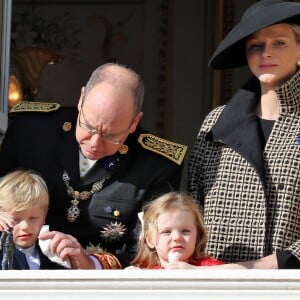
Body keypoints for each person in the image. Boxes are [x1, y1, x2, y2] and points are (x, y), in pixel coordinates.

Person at [0, 62, 187, 267]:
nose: (95, 143)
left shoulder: (157, 165)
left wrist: (89, 263)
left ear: (134, 123)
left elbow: (147, 250)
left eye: (110, 135)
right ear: (81, 99)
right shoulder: (31, 130)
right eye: (88, 126)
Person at [188, 0, 300, 269]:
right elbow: (191, 207)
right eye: (256, 46)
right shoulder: (216, 122)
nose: (266, 53)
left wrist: (268, 266)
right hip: (213, 284)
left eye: (279, 43)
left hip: (287, 284)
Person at [0, 169, 119, 269]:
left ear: (44, 215)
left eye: (33, 218)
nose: (25, 226)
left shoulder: (54, 252)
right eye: (15, 219)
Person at [129, 192, 223, 269]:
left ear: (197, 236)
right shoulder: (148, 271)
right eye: (166, 232)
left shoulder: (204, 266)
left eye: (185, 231)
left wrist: (194, 270)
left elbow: (237, 269)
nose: (177, 237)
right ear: (150, 239)